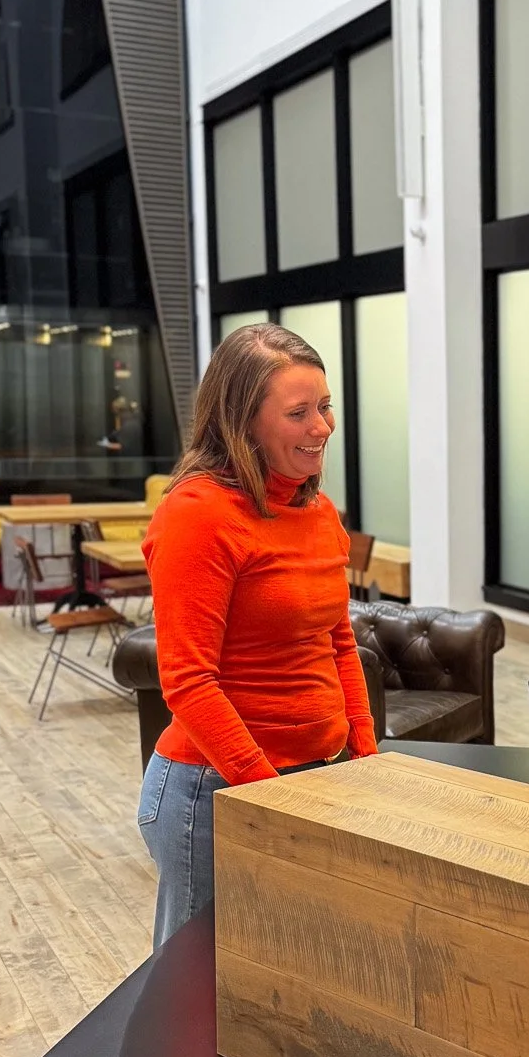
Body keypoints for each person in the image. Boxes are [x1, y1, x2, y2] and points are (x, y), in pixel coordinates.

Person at [137, 324, 378, 946]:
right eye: (298, 413)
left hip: (314, 778)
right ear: (242, 423)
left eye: (325, 406)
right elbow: (188, 682)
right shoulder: (197, 514)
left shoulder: (318, 513)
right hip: (214, 792)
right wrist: (269, 796)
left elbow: (337, 642)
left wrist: (364, 754)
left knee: (294, 971)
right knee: (198, 987)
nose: (322, 427)